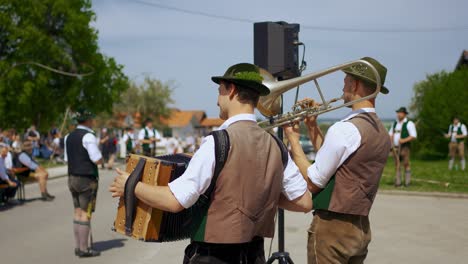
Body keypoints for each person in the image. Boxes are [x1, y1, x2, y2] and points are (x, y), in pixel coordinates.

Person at [110, 63, 312, 263]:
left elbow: (174, 201)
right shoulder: (276, 145)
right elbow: (304, 202)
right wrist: (260, 195)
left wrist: (131, 184)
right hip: (255, 255)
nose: (217, 101)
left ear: (231, 90)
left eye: (220, 91)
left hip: (214, 257)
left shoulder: (218, 142)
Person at [284, 57, 391, 264]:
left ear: (355, 84)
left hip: (332, 229)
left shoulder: (345, 128)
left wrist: (293, 141)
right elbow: (338, 161)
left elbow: (313, 181)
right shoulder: (381, 132)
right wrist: (313, 126)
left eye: (346, 80)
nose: (343, 85)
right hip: (360, 226)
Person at [64, 108, 102, 258]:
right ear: (87, 120)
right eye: (91, 119)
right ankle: (85, 249)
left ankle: (78, 247)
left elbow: (67, 159)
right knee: (86, 214)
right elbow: (96, 159)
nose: (92, 121)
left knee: (77, 212)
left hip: (72, 177)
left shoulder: (68, 136)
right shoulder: (88, 136)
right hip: (86, 178)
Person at [388, 106, 417, 186]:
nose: (398, 114)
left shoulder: (409, 123)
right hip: (395, 147)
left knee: (406, 163)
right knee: (397, 164)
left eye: (400, 113)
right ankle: (398, 182)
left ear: (404, 114)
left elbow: (413, 136)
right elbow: (390, 134)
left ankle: (407, 182)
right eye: (398, 113)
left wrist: (403, 140)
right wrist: (391, 142)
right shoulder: (395, 123)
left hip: (405, 147)